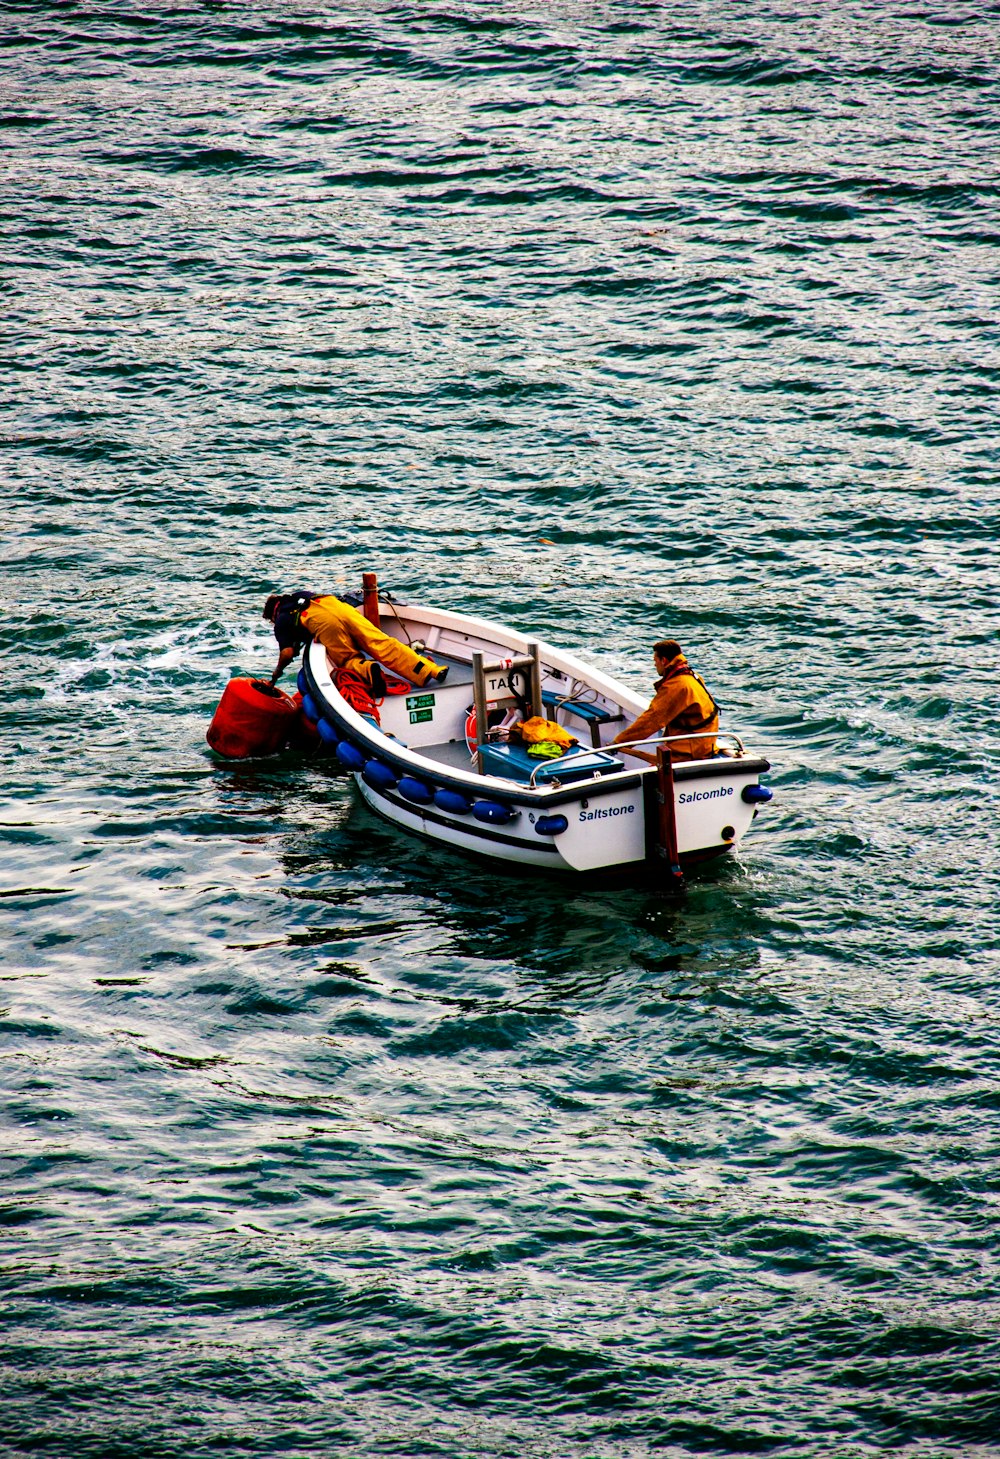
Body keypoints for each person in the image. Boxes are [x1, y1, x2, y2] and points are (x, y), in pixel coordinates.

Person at [264, 591, 449, 694]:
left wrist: (276, 673)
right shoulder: (298, 596)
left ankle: (368, 670)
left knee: (347, 659)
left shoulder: (282, 619)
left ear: (273, 613)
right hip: (339, 607)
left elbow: (287, 653)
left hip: (324, 623)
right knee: (383, 643)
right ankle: (430, 670)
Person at [612, 639, 719, 764]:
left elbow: (651, 720)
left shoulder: (676, 686)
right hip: (706, 744)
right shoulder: (692, 676)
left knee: (652, 774)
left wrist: (619, 742)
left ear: (664, 661)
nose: (654, 665)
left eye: (655, 661)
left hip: (692, 751)